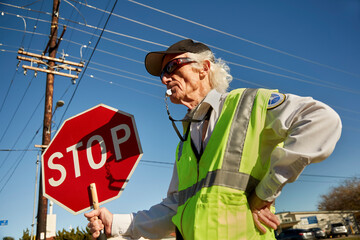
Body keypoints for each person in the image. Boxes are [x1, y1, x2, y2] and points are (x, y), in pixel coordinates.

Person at [85, 39, 342, 240]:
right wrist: (116, 222)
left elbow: (322, 120)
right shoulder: (183, 144)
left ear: (204, 68)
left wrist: (265, 192)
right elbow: (175, 208)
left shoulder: (247, 103)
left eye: (172, 67)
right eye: (162, 73)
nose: (164, 78)